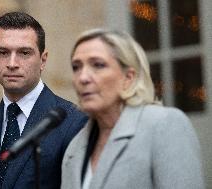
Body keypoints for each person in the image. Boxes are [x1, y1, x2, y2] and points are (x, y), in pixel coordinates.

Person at [0, 12, 87, 189]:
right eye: (3, 52)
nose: (12, 63)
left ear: (43, 60)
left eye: (24, 52)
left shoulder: (75, 122)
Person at [61, 29, 205, 189]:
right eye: (76, 67)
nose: (83, 77)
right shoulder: (75, 146)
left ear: (128, 77)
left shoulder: (165, 124)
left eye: (98, 65)